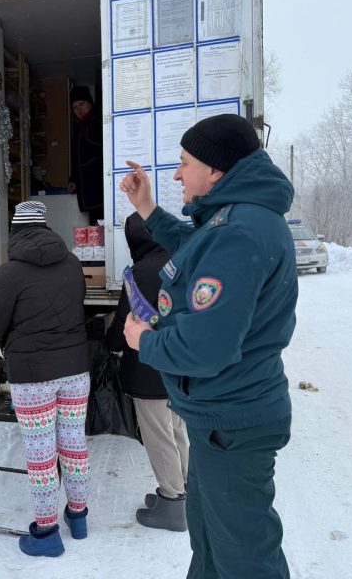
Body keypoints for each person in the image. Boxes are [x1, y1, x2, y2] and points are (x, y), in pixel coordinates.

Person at [120, 113, 298, 578]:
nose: (177, 173)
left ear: (216, 170)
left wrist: (146, 340)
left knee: (244, 559)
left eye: (184, 163)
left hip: (231, 422)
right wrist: (147, 208)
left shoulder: (239, 232)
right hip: (220, 420)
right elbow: (197, 244)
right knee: (213, 546)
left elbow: (205, 349)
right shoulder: (236, 219)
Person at [0, 201, 91, 557]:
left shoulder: (9, 272)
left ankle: (46, 534)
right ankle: (79, 518)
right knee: (73, 445)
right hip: (75, 370)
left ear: (16, 231)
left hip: (33, 376)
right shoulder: (73, 263)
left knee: (42, 455)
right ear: (45, 227)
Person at [106, 212, 189, 532]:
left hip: (148, 368)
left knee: (158, 436)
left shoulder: (139, 272)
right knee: (177, 428)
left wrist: (110, 342)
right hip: (178, 364)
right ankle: (184, 491)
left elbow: (124, 325)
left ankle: (172, 503)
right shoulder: (179, 261)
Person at [68, 85, 104, 224]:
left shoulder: (98, 122)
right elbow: (78, 160)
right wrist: (73, 180)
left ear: (90, 103)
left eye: (81, 104)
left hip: (100, 191)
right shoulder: (80, 129)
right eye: (75, 107)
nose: (79, 109)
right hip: (90, 195)